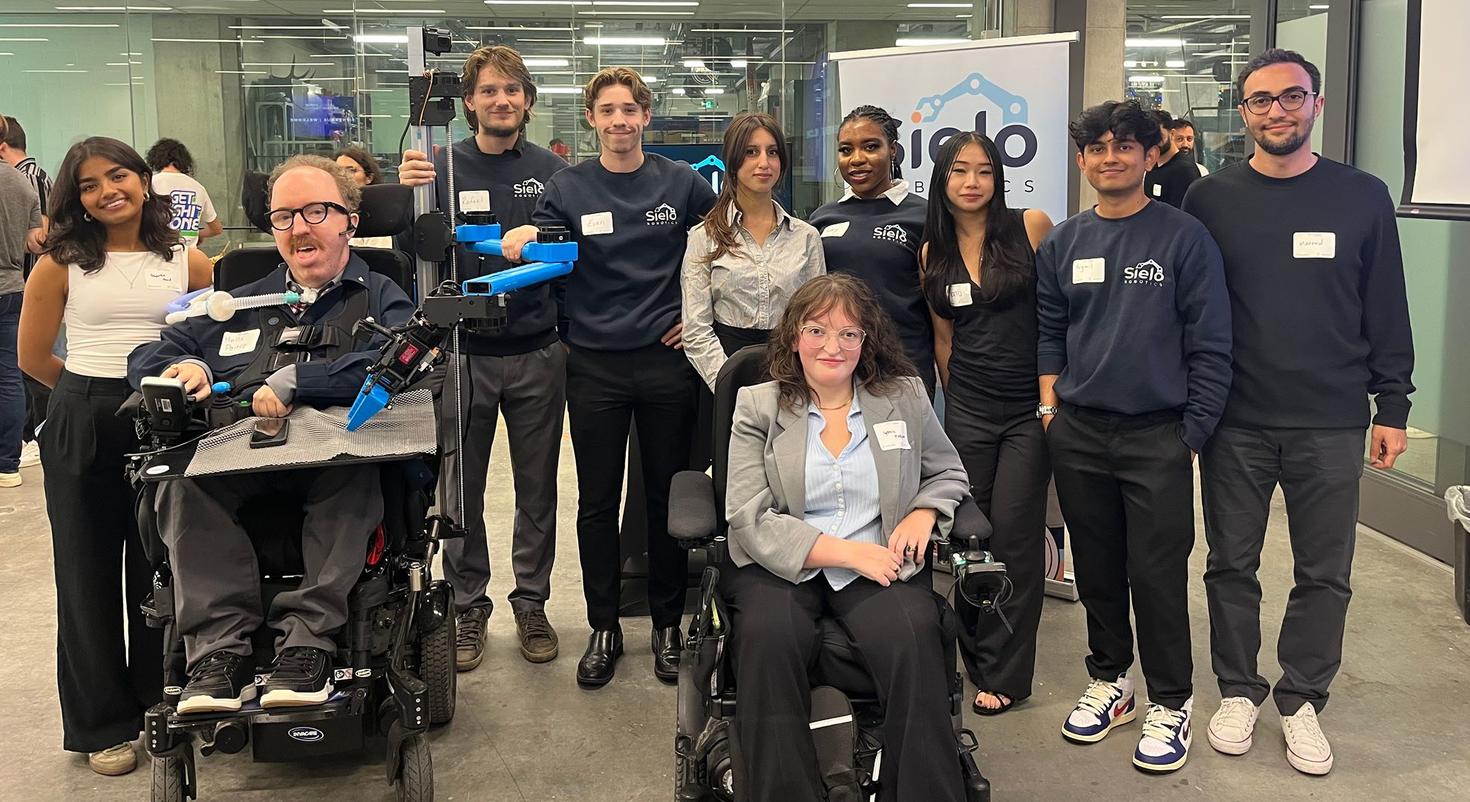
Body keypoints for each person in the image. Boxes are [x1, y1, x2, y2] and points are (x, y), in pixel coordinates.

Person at [1183, 48, 1415, 777]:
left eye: (1291, 96)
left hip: (1332, 419)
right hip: (1236, 420)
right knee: (1230, 564)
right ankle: (1238, 689)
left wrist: (1394, 403)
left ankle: (1302, 697)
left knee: (1325, 571)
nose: (1276, 111)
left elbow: (1386, 304)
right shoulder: (1209, 199)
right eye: (1260, 99)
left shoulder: (1363, 196)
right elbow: (1189, 310)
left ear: (1316, 103)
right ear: (1243, 111)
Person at [127, 154, 414, 716]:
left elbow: (400, 358)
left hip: (334, 459)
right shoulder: (235, 301)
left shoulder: (381, 294)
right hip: (237, 457)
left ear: (350, 221)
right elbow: (149, 353)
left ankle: (307, 645)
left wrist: (301, 380)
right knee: (181, 483)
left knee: (354, 473)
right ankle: (218, 655)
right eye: (284, 216)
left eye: (315, 211)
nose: (298, 227)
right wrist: (187, 368)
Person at [498, 67, 716, 689]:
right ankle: (604, 627)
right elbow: (542, 242)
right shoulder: (567, 187)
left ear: (646, 115)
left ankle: (668, 625)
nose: (619, 120)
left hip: (666, 363)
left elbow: (724, 248)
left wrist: (696, 314)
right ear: (592, 119)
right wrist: (524, 234)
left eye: (630, 109)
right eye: (607, 110)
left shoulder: (684, 183)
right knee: (596, 502)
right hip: (593, 365)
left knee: (664, 498)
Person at [1036, 99, 1232, 773]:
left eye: (1125, 146)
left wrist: (1192, 434)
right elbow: (1050, 331)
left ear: (1152, 156)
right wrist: (1052, 410)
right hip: (1080, 433)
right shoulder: (1064, 242)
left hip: (1159, 435)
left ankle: (1171, 700)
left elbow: (1211, 342)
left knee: (1156, 575)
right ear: (1082, 160)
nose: (1110, 157)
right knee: (1096, 568)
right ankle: (1111, 680)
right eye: (1098, 147)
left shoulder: (1184, 238)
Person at [723, 273, 969, 802]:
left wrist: (925, 511)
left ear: (866, 340)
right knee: (767, 637)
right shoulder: (758, 405)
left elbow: (948, 472)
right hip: (783, 563)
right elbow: (747, 513)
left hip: (881, 557)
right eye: (817, 330)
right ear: (794, 337)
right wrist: (848, 554)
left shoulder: (903, 396)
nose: (832, 346)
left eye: (848, 333)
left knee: (914, 635)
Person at [17, 136, 212, 775]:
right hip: (84, 416)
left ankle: (162, 701)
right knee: (85, 571)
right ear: (76, 199)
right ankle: (101, 724)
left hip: (165, 421)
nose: (108, 191)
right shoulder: (60, 264)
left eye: (119, 176)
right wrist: (89, 397)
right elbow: (33, 357)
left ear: (143, 180)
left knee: (163, 569)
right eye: (90, 185)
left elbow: (216, 337)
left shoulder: (187, 261)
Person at [398, 45, 569, 670]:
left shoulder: (553, 171)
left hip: (537, 350)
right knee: (460, 488)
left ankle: (531, 602)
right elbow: (410, 249)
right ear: (468, 101)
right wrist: (407, 197)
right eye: (490, 90)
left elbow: (572, 248)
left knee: (537, 488)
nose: (502, 100)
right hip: (463, 352)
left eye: (513, 90)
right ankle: (468, 605)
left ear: (527, 100)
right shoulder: (435, 167)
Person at [919, 132, 1053, 716]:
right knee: (970, 537)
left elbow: (1057, 319)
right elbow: (943, 340)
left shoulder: (1031, 226)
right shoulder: (933, 251)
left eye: (983, 170)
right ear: (942, 180)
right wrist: (956, 406)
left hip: (1027, 410)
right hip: (969, 409)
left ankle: (1007, 672)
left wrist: (1049, 400)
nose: (972, 182)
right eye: (959, 171)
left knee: (1017, 538)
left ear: (998, 178)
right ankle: (975, 656)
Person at [681, 111, 824, 389]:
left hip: (790, 373)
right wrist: (727, 383)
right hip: (725, 369)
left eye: (772, 152)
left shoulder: (806, 237)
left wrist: (796, 378)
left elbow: (816, 321)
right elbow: (696, 330)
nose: (764, 163)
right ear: (733, 161)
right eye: (751, 152)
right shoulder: (704, 237)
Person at [809, 106, 935, 393]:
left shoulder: (925, 216)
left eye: (870, 147)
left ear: (893, 151)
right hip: (835, 365)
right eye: (846, 150)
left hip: (902, 367)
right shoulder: (821, 219)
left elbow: (939, 312)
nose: (857, 159)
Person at [1, 116, 54, 470]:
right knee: (12, 373)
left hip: (26, 285)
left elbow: (40, 238)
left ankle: (25, 442)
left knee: (21, 372)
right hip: (14, 285)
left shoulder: (28, 177)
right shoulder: (22, 181)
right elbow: (37, 239)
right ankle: (9, 460)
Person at [145, 138, 222, 247]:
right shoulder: (198, 188)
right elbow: (216, 229)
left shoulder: (149, 184)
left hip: (157, 251)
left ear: (155, 159)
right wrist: (196, 234)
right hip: (189, 254)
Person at [334, 145, 394, 248]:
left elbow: (378, 254)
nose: (343, 176)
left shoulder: (377, 216)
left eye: (351, 170)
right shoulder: (329, 212)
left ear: (369, 178)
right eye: (338, 171)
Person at [1142, 110, 1202, 207]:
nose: (1153, 141)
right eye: (1148, 137)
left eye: (1158, 136)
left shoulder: (1184, 170)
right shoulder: (1153, 165)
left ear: (1172, 134)